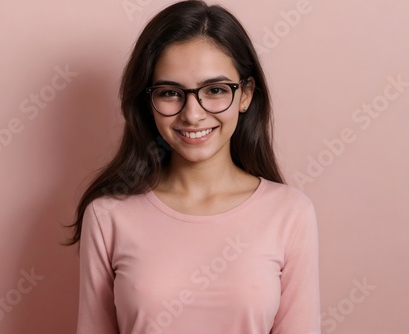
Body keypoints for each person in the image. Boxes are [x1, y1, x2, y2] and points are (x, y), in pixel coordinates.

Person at [69, 1, 320, 333]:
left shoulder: (290, 213)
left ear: (245, 94)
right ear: (148, 100)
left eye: (215, 90)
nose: (192, 114)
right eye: (171, 93)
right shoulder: (108, 216)